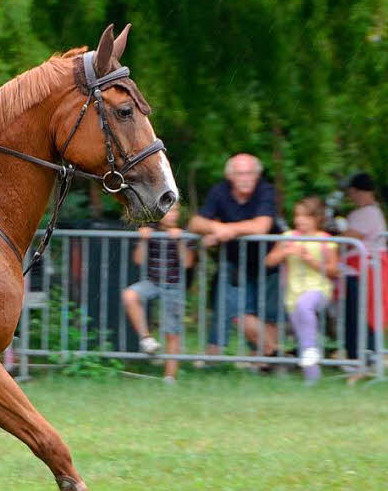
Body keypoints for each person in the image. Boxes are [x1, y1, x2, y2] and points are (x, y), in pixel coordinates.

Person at [188, 153, 281, 362]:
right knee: (237, 311)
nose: (246, 178)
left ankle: (269, 360)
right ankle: (273, 356)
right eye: (240, 174)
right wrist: (216, 227)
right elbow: (195, 223)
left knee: (268, 315)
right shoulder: (220, 191)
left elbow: (261, 227)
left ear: (257, 176)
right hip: (235, 263)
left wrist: (226, 230)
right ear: (230, 176)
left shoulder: (266, 190)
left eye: (250, 173)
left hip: (268, 263)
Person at [264, 197, 338, 383]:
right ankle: (312, 375)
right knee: (303, 333)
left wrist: (309, 259)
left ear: (317, 218)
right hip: (292, 293)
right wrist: (284, 253)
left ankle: (312, 352)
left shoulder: (325, 240)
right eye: (298, 215)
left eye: (305, 216)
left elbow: (333, 270)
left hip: (318, 289)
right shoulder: (287, 237)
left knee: (305, 305)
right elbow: (269, 261)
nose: (300, 220)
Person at [122, 201, 195, 383]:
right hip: (153, 282)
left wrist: (179, 241)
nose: (173, 214)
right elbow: (138, 260)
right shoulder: (151, 229)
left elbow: (187, 263)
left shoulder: (185, 232)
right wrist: (143, 240)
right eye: (169, 211)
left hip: (174, 285)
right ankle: (146, 339)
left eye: (176, 211)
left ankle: (170, 377)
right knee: (130, 295)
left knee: (172, 332)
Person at [337, 172, 388, 376]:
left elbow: (350, 238)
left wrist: (335, 234)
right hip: (357, 271)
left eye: (352, 192)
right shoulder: (365, 212)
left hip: (365, 272)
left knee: (362, 313)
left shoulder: (368, 214)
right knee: (355, 312)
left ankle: (363, 356)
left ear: (357, 191)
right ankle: (357, 355)